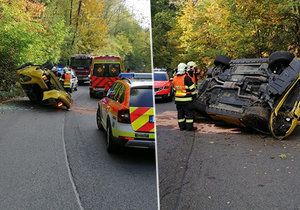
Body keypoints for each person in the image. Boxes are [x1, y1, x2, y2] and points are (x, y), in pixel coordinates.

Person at [172, 63, 198, 131]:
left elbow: (174, 90)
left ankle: (182, 127)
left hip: (178, 101)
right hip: (187, 100)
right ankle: (189, 128)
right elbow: (192, 89)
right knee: (189, 114)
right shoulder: (186, 78)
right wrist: (194, 97)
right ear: (185, 69)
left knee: (180, 114)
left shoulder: (174, 78)